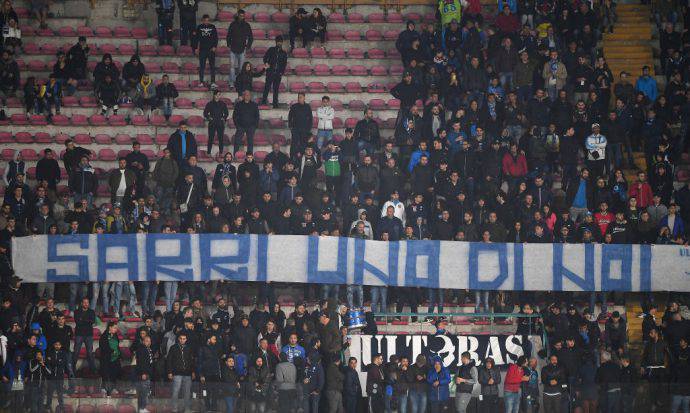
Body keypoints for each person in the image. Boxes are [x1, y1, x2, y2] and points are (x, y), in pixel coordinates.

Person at [167, 332, 194, 413]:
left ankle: (187, 409)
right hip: (177, 373)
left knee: (187, 393)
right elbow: (169, 361)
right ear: (178, 339)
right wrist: (169, 372)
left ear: (186, 339)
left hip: (187, 374)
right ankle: (174, 409)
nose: (182, 340)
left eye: (184, 339)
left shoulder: (189, 348)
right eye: (181, 338)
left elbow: (191, 361)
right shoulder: (173, 347)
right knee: (175, 392)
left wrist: (192, 372)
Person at [226, 9, 253, 86]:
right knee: (232, 68)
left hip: (242, 49)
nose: (242, 17)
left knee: (241, 69)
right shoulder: (233, 24)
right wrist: (228, 44)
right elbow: (228, 35)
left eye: (243, 16)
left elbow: (251, 37)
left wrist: (248, 47)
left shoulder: (247, 25)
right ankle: (231, 83)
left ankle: (238, 83)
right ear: (238, 15)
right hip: (233, 49)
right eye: (241, 16)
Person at [262, 36, 288, 108]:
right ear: (276, 42)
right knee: (267, 87)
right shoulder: (271, 50)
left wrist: (281, 73)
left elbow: (284, 64)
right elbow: (265, 58)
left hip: (278, 74)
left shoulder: (284, 53)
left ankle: (275, 104)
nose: (279, 43)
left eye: (280, 42)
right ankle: (263, 101)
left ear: (282, 43)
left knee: (276, 89)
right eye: (278, 41)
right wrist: (267, 64)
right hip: (270, 72)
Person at [193, 14, 218, 88]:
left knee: (212, 67)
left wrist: (214, 47)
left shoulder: (212, 27)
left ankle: (213, 82)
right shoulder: (199, 27)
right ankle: (201, 82)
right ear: (203, 20)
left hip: (211, 50)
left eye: (208, 20)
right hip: (202, 50)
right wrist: (196, 48)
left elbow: (216, 38)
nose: (206, 22)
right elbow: (196, 39)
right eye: (205, 20)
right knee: (202, 67)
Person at [232, 90, 259, 155]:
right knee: (237, 141)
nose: (247, 96)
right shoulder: (238, 104)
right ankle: (235, 155)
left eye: (248, 95)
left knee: (250, 143)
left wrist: (254, 126)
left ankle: (249, 157)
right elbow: (235, 116)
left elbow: (257, 116)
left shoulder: (254, 105)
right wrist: (237, 125)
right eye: (246, 95)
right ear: (243, 96)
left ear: (250, 96)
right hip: (240, 126)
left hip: (251, 127)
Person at [204, 90, 229, 155]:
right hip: (212, 123)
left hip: (220, 123)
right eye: (216, 95)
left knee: (221, 139)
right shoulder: (210, 103)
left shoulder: (223, 104)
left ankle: (221, 153)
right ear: (214, 95)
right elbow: (205, 113)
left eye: (219, 95)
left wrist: (223, 118)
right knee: (210, 138)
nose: (218, 96)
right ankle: (209, 152)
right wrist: (209, 118)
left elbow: (226, 113)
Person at [288, 92, 313, 158]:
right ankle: (292, 158)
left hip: (304, 130)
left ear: (304, 98)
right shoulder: (294, 106)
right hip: (295, 129)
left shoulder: (307, 107)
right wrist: (290, 126)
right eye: (298, 97)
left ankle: (302, 159)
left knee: (303, 145)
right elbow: (290, 117)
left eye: (301, 97)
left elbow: (310, 118)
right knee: (294, 145)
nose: (299, 99)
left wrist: (308, 129)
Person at [135, 334, 155, 413]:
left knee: (145, 391)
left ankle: (142, 408)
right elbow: (142, 362)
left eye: (150, 341)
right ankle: (142, 408)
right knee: (143, 392)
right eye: (147, 341)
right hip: (144, 373)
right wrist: (143, 373)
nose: (149, 342)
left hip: (147, 373)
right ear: (143, 342)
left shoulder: (148, 349)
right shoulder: (142, 349)